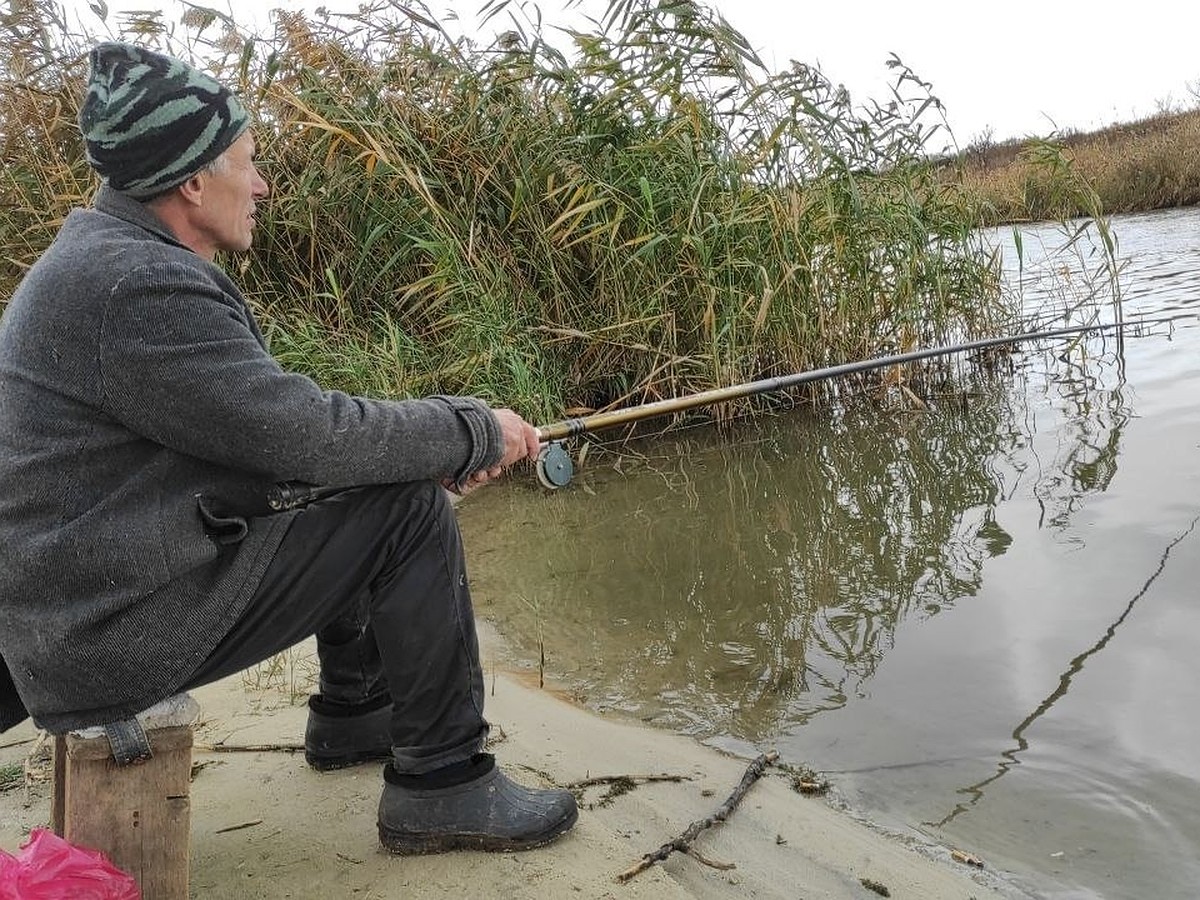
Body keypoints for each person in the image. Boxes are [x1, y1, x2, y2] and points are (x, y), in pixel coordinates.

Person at [0, 41, 578, 854]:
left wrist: (419, 449)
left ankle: (354, 715)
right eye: (249, 161)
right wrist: (474, 429)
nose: (263, 183)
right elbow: (308, 436)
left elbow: (276, 451)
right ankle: (445, 785)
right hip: (100, 637)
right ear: (192, 182)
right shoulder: (137, 286)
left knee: (360, 487)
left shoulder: (104, 263)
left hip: (80, 607)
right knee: (406, 512)